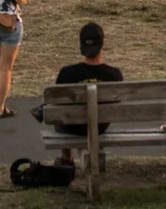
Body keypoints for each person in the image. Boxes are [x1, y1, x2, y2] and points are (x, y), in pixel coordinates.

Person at [53, 22, 124, 164]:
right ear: (102, 44)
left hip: (71, 127)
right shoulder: (114, 75)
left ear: (81, 45)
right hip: (100, 126)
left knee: (58, 116)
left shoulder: (66, 73)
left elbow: (55, 104)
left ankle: (67, 159)